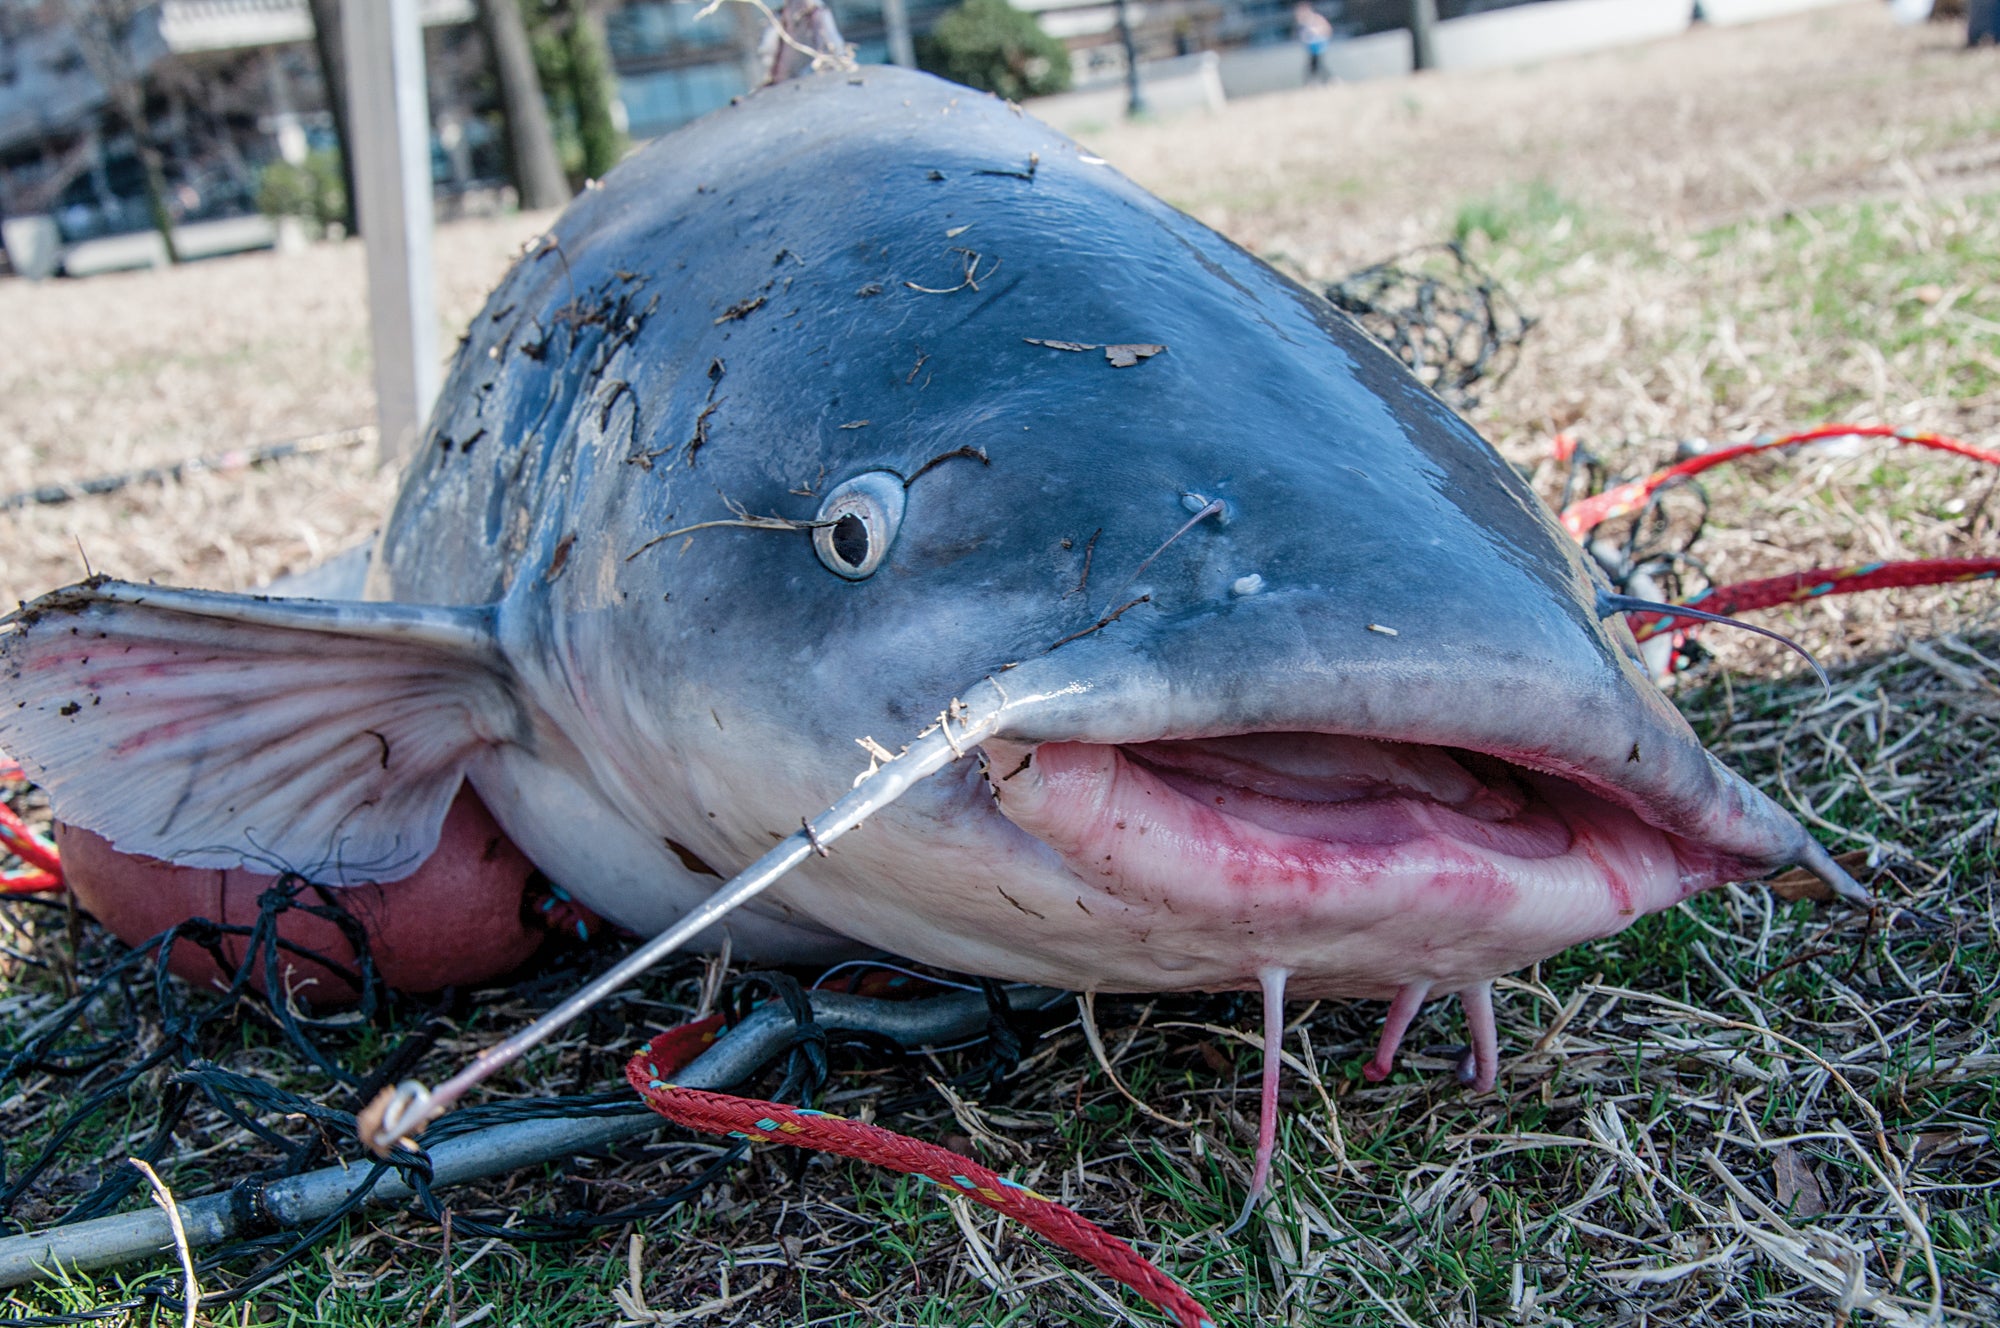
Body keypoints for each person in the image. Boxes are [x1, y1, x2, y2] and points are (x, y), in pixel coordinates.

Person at [1294, 3, 1333, 85]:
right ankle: (1324, 81)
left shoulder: (1316, 19)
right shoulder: (1303, 23)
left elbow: (1326, 29)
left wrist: (1316, 32)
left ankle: (1328, 80)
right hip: (1312, 48)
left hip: (1319, 46)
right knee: (1315, 66)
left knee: (1317, 65)